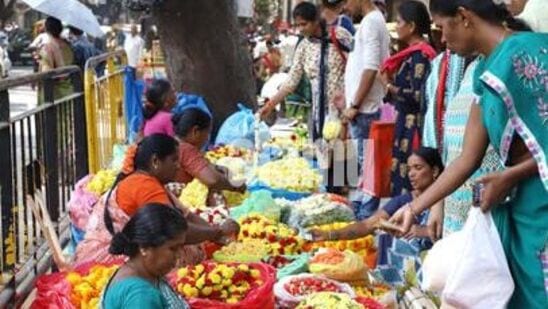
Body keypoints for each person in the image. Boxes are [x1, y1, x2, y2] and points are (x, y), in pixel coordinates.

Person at [390, 1, 547, 307]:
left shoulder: (529, 53)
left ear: (463, 17)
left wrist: (511, 175)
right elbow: (466, 159)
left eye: (441, 27)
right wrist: (416, 206)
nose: (442, 40)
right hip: (516, 207)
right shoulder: (483, 72)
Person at [75, 134, 239, 266]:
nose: (178, 166)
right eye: (174, 160)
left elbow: (187, 216)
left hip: (121, 250)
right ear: (155, 161)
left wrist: (214, 234)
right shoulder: (144, 185)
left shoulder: (151, 182)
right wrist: (217, 231)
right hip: (109, 259)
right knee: (183, 252)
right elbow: (175, 231)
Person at [258, 1, 353, 140]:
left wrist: (353, 103)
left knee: (343, 159)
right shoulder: (303, 47)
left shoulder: (340, 36)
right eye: (297, 25)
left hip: (344, 111)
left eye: (304, 24)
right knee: (322, 155)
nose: (300, 29)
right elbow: (292, 81)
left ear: (316, 21)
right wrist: (270, 104)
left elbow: (358, 67)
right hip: (317, 114)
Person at [380, 0, 437, 196]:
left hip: (413, 127)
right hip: (404, 123)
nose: (396, 26)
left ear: (412, 26)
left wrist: (389, 86)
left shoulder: (420, 56)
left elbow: (418, 95)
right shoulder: (411, 54)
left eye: (399, 21)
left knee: (409, 178)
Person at [101, 204, 189, 308]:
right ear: (144, 247)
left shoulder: (134, 272)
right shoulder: (141, 295)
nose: (179, 255)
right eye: (173, 248)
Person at [343, 0, 390, 185]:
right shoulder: (371, 21)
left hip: (364, 109)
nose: (345, 6)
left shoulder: (371, 22)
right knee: (368, 169)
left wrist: (355, 104)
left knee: (368, 170)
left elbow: (371, 68)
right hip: (361, 106)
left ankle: (366, 212)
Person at [173, 108, 247, 193]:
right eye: (207, 133)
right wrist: (236, 186)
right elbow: (212, 180)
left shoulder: (175, 143)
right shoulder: (186, 149)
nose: (207, 138)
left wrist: (217, 168)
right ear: (195, 131)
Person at [38, 17, 74, 101]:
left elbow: (46, 71)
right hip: (70, 89)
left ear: (46, 29)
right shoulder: (68, 45)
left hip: (55, 93)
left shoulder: (48, 47)